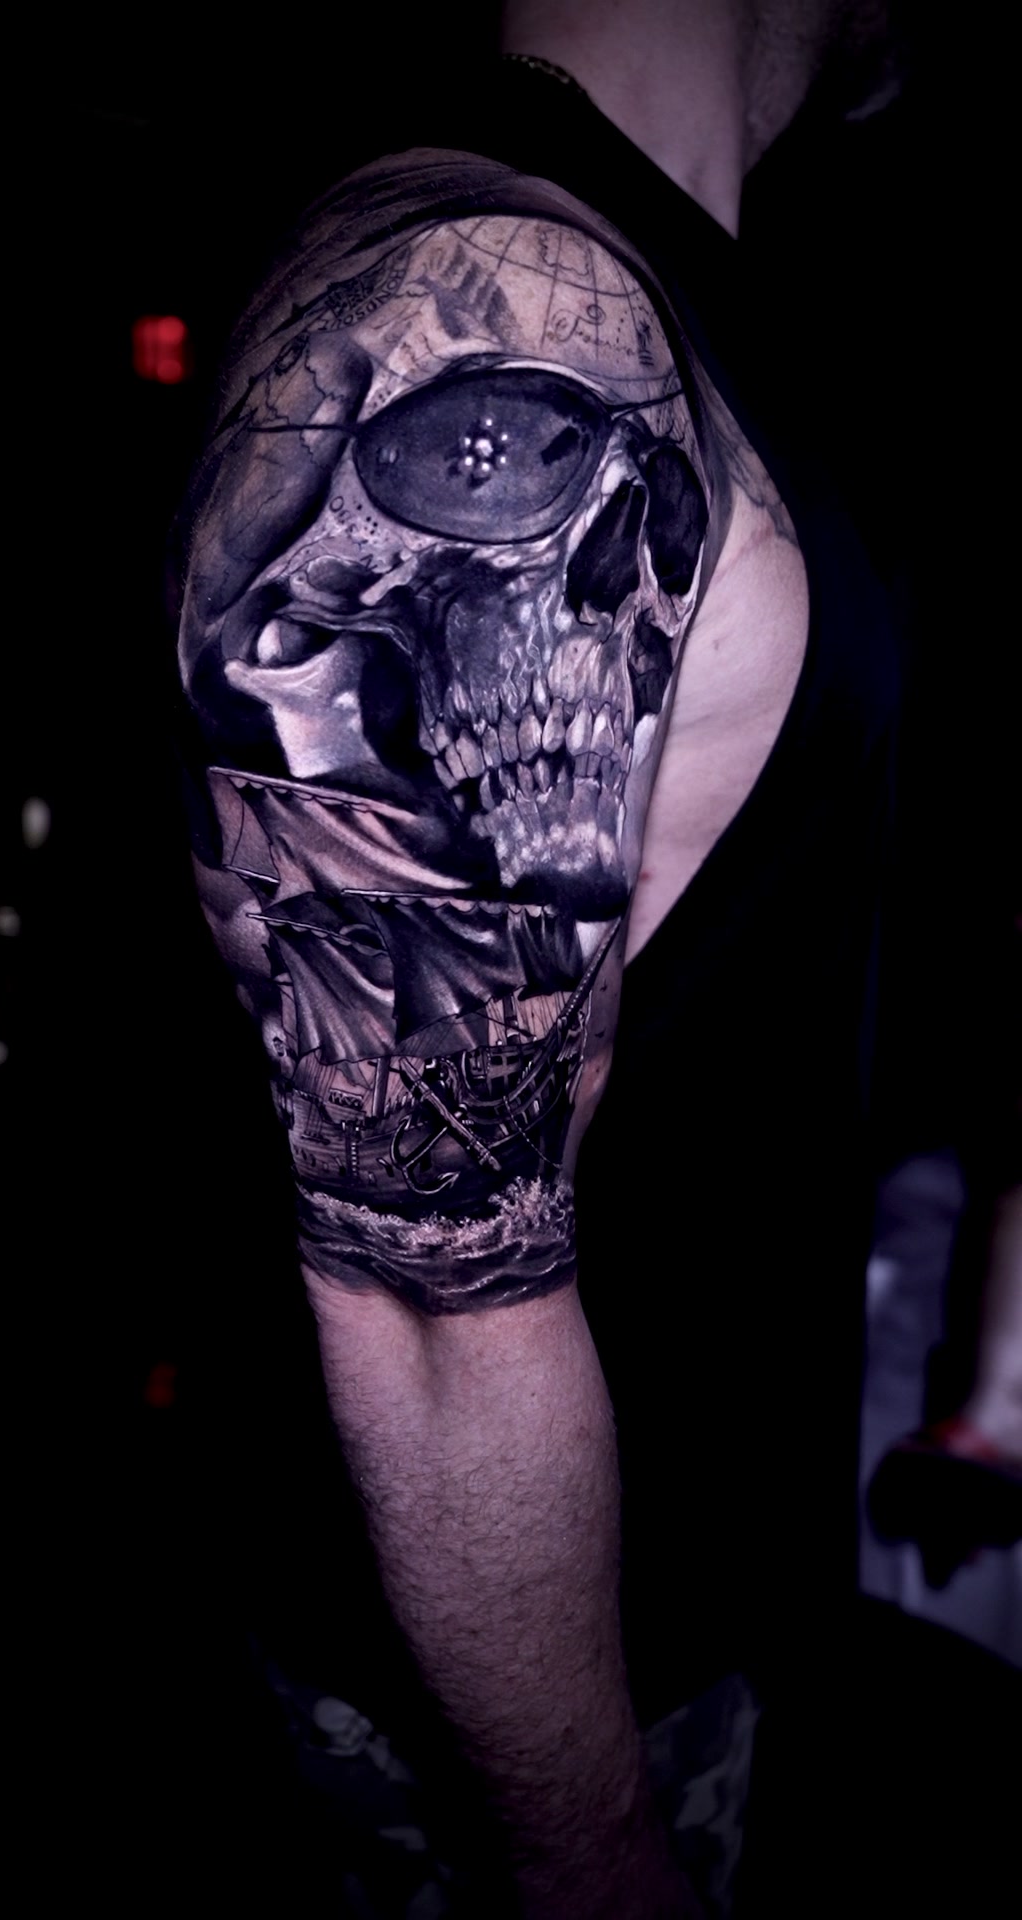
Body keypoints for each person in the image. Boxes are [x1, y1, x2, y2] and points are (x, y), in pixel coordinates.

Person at [169, 4, 963, 1912]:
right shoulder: (499, 306)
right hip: (521, 1725)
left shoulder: (683, 303)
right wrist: (592, 1865)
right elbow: (427, 1289)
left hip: (691, 1605)